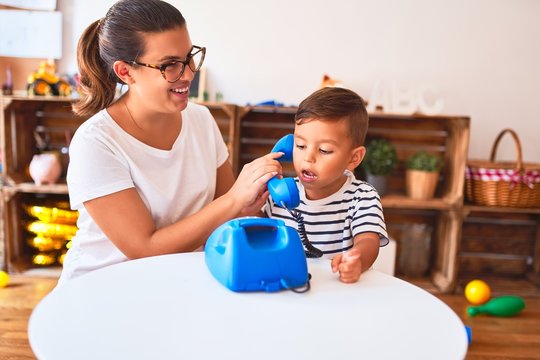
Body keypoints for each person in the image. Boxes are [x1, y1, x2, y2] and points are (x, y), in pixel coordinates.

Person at [58, 0, 281, 285]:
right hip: (105, 287)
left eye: (189, 57)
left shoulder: (200, 119)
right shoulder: (96, 143)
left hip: (180, 281)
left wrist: (253, 202)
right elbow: (145, 249)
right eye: (169, 65)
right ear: (126, 71)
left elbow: (228, 216)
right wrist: (235, 199)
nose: (188, 73)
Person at [264, 87, 389, 283]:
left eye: (324, 150)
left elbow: (368, 241)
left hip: (338, 296)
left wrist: (357, 259)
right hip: (289, 292)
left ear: (354, 158)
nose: (308, 157)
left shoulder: (362, 196)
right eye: (300, 146)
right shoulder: (280, 194)